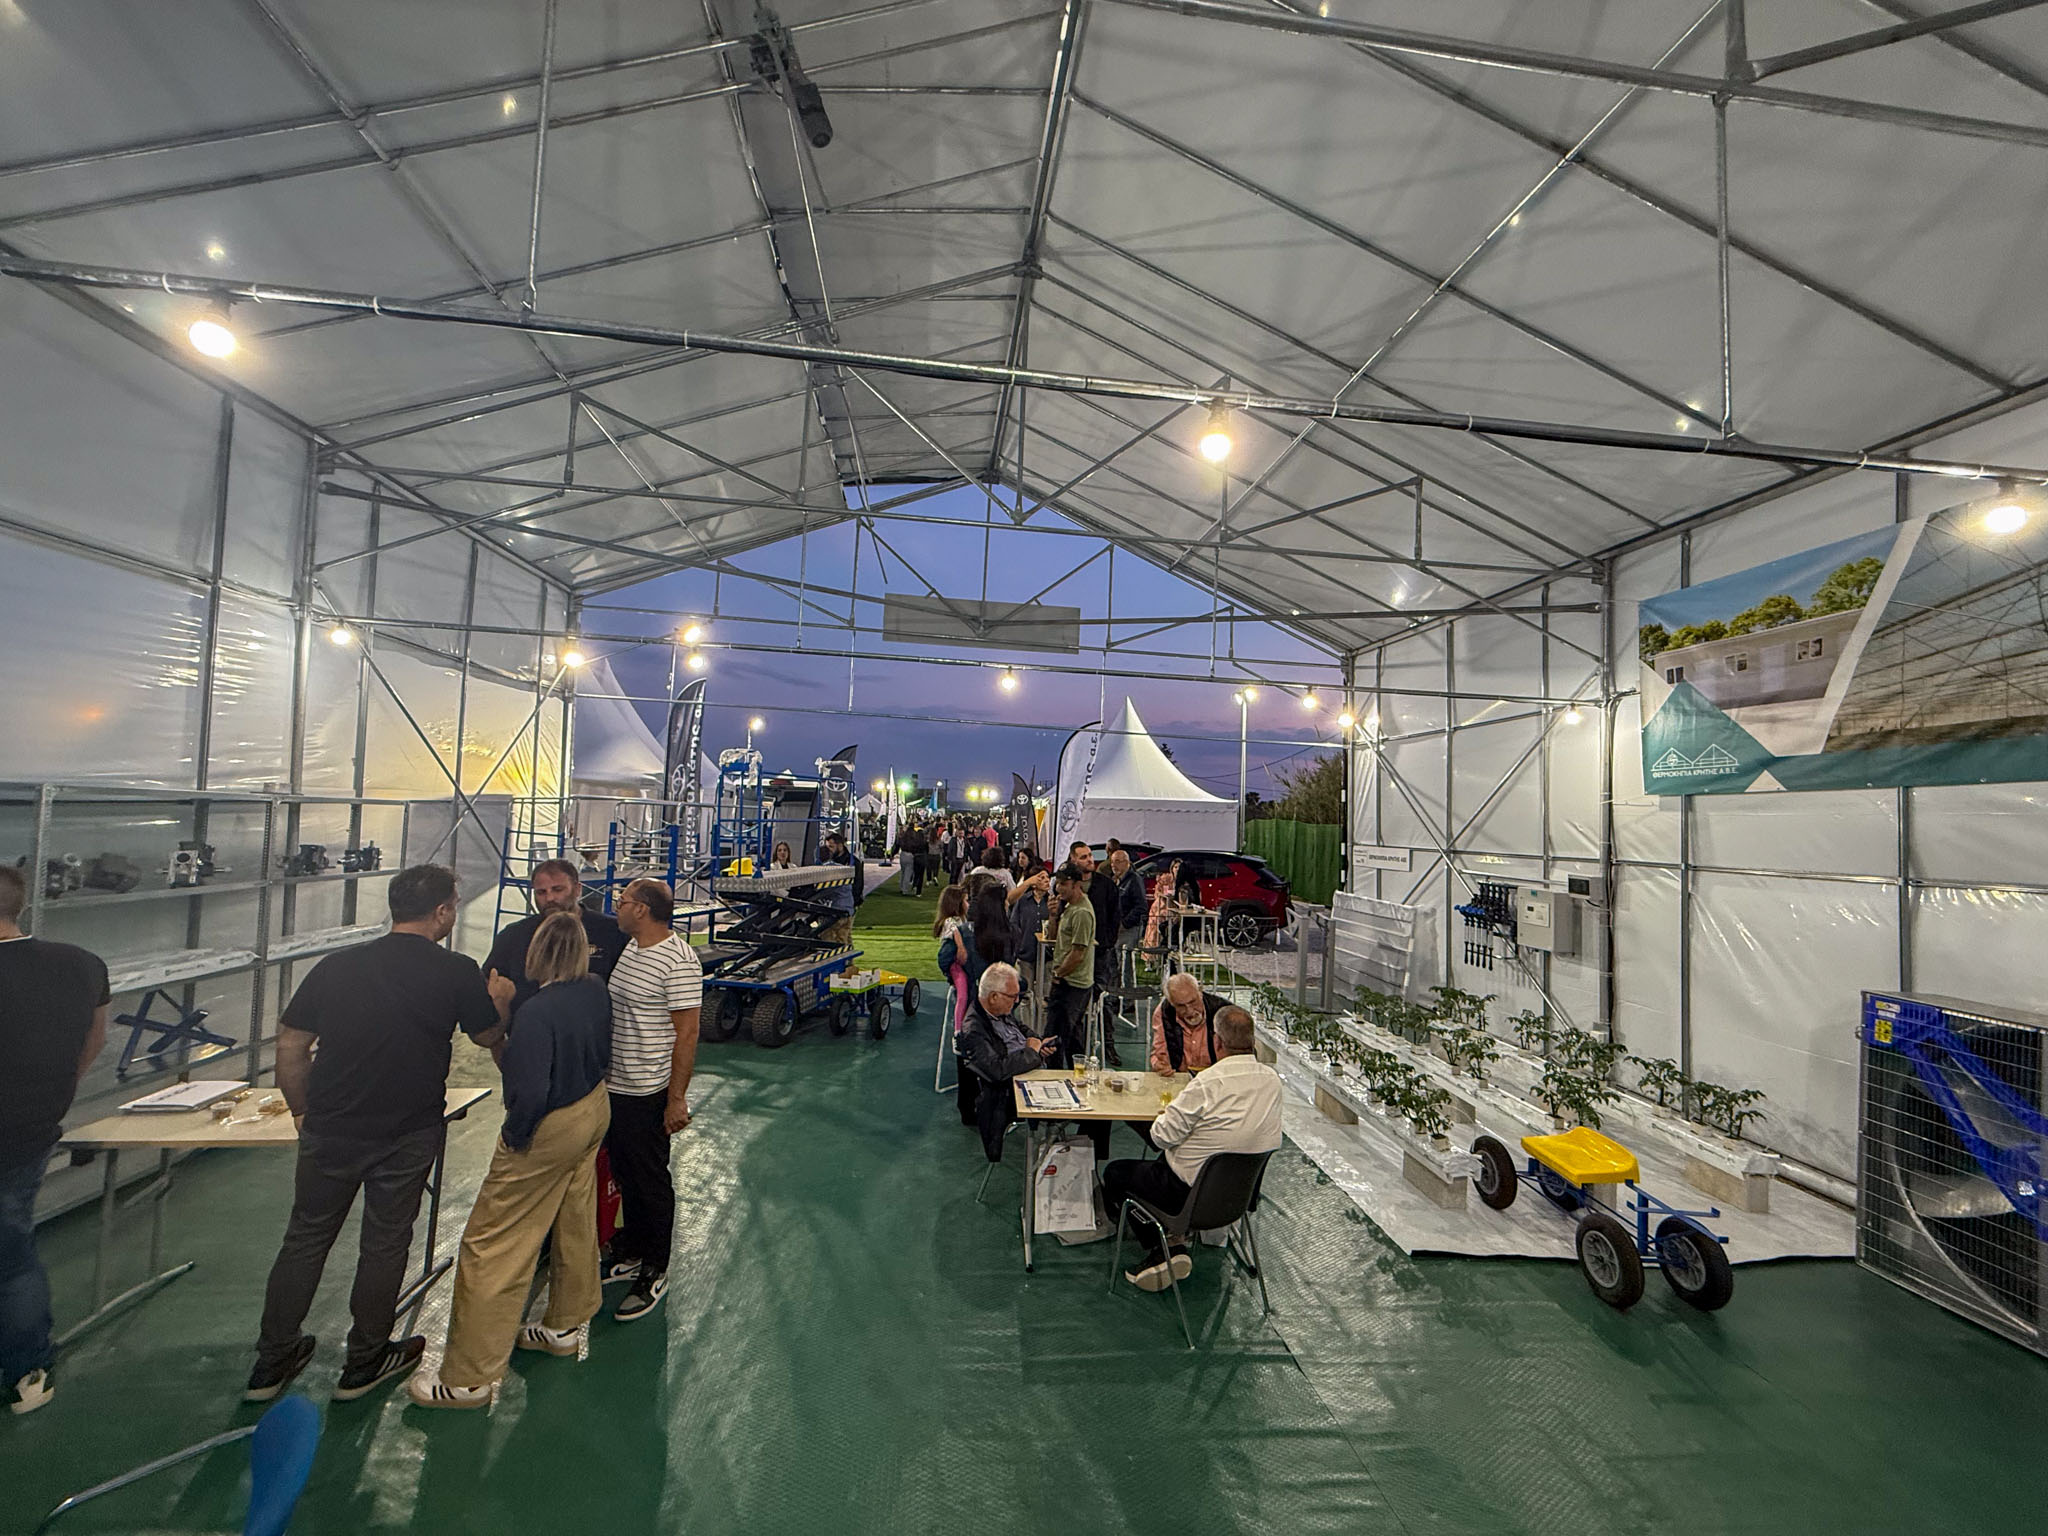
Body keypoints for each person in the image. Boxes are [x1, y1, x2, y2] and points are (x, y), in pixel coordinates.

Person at [247, 864, 506, 1404]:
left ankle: (271, 1362)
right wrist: (500, 999)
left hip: (332, 1126)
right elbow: (486, 1037)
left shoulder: (336, 967)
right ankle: (364, 1360)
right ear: (442, 912)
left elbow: (291, 1044)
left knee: (306, 1237)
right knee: (385, 1242)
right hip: (406, 1131)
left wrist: (302, 1110)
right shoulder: (455, 970)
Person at [410, 914, 612, 1408]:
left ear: (535, 955)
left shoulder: (537, 1012)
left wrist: (515, 1138)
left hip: (549, 1126)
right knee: (574, 1216)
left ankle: (467, 1377)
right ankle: (565, 1325)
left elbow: (528, 1087)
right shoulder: (594, 989)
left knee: (491, 1242)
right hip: (592, 1108)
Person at [0, 864, 109, 1416]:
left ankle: (25, 1363)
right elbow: (94, 1039)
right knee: (12, 1249)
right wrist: (55, 1091)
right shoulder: (82, 964)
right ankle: (27, 1372)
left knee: (11, 1254)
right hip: (32, 1130)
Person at [1102, 1006, 1281, 1292]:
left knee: (1116, 1173)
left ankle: (1166, 1247)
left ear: (1217, 1042)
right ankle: (1174, 1241)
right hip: (1239, 1197)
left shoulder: (1208, 1083)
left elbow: (1161, 1136)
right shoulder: (1272, 1081)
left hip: (1186, 1196)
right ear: (1253, 1040)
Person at [603, 877, 702, 1323]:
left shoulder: (677, 961)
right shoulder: (632, 948)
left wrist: (675, 1098)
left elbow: (687, 1033)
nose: (617, 906)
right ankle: (635, 1248)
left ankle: (655, 1268)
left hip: (648, 1090)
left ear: (641, 909)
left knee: (650, 1180)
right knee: (625, 1173)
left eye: (622, 900)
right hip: (616, 1086)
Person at [486, 858, 629, 1013]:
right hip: (528, 1024)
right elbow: (489, 982)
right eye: (541, 892)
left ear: (577, 889)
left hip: (590, 1025)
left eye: (558, 890)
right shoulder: (513, 936)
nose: (550, 898)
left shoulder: (611, 932)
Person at [957, 963, 1060, 1161]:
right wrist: (1032, 1052)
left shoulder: (999, 1012)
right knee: (1093, 1113)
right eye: (1013, 996)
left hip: (1034, 1074)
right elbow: (997, 1070)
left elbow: (1022, 1029)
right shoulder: (974, 1030)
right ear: (993, 997)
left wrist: (1038, 1043)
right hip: (1014, 1093)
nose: (1017, 1001)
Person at [1065, 841, 1122, 1065]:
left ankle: (1109, 1046)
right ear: (1073, 860)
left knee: (1103, 1002)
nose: (1090, 859)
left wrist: (1107, 943)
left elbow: (1115, 916)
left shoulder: (1106, 885)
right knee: (1074, 1005)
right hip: (1075, 954)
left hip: (1100, 955)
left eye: (1090, 855)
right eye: (1083, 857)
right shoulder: (1069, 886)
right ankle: (1075, 1051)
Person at [1045, 864, 1096, 1063]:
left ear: (1076, 884)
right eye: (1057, 883)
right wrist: (1053, 916)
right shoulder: (1069, 907)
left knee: (1055, 1039)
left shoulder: (1082, 912)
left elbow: (1077, 954)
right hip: (1067, 980)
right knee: (1071, 1038)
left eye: (1063, 884)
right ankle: (1076, 1073)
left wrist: (1058, 975)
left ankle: (1054, 1076)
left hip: (1073, 984)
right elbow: (1053, 938)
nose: (1058, 888)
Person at [1149, 973, 1234, 1076]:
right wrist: (1159, 1065)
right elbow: (1159, 1053)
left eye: (1193, 1002)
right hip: (1179, 1075)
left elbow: (1238, 1056)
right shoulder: (1163, 1012)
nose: (1189, 1011)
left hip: (1217, 1075)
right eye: (1181, 1006)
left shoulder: (1225, 1011)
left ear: (1200, 992)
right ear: (1172, 1003)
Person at [933, 886, 977, 1037]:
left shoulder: (963, 919)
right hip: (955, 965)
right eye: (966, 901)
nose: (968, 904)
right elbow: (955, 931)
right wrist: (961, 947)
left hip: (965, 965)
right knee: (963, 995)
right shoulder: (949, 921)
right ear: (956, 903)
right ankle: (958, 1032)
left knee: (967, 993)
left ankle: (966, 1024)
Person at [1108, 848, 1147, 985]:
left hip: (1129, 929)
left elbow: (1141, 907)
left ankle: (1127, 994)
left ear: (1127, 863)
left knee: (1126, 965)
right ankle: (1115, 992)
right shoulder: (1116, 880)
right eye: (1112, 862)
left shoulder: (1134, 880)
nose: (1114, 865)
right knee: (1114, 964)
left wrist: (1124, 923)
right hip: (1115, 930)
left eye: (1118, 862)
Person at [818, 831, 858, 945]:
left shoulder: (825, 870)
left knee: (830, 938)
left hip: (838, 910)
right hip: (848, 908)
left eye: (832, 846)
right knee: (846, 939)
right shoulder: (841, 868)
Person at [892, 820, 929, 896]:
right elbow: (916, 845)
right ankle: (905, 890)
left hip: (902, 854)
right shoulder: (914, 835)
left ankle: (901, 887)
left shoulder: (903, 835)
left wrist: (893, 854)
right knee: (908, 873)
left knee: (903, 872)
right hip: (910, 855)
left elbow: (897, 844)